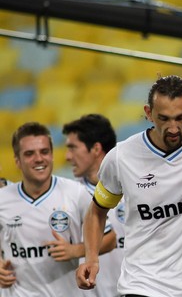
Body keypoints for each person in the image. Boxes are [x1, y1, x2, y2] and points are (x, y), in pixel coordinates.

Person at [76, 75, 182, 297]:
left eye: (181, 117)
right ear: (148, 113)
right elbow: (97, 211)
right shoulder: (122, 158)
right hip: (144, 286)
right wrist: (91, 258)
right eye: (164, 118)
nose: (173, 128)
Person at [0, 122, 116, 297]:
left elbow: (110, 239)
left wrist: (75, 250)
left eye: (44, 152)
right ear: (17, 161)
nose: (39, 159)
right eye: (29, 154)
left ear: (52, 155)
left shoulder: (76, 193)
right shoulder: (3, 198)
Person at [63, 114, 124, 297]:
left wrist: (76, 250)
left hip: (140, 289)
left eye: (73, 148)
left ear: (96, 148)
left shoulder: (137, 184)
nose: (67, 156)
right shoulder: (69, 195)